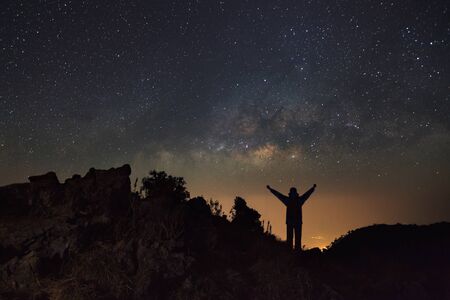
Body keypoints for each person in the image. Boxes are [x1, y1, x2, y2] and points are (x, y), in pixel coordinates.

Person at [266, 184, 316, 250]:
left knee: (296, 238)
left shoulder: (293, 200)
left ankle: (296, 252)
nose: (293, 195)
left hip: (295, 222)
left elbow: (307, 194)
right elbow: (279, 195)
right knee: (291, 238)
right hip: (292, 222)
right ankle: (291, 251)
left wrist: (312, 188)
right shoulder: (295, 200)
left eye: (293, 193)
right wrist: (271, 189)